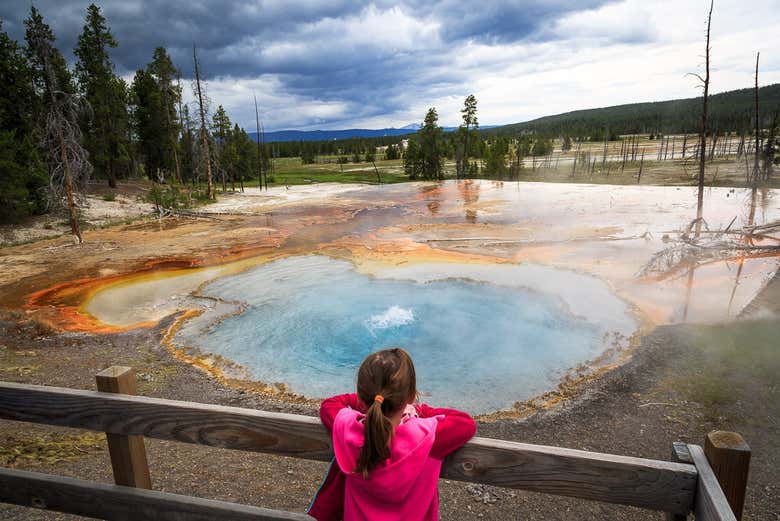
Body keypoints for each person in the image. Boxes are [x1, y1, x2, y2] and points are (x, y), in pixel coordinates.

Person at [308, 348, 476, 521]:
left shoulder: (349, 429)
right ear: (410, 396)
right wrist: (419, 410)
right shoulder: (427, 436)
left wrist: (369, 400)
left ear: (362, 395)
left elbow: (330, 405)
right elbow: (465, 423)